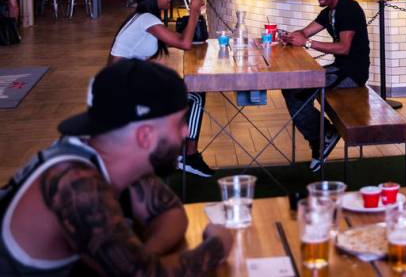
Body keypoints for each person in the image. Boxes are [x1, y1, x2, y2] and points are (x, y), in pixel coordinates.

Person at [0, 61, 232, 275]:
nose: (185, 132)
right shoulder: (76, 184)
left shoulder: (112, 158)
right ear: (144, 136)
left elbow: (170, 213)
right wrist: (217, 245)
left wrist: (141, 256)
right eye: (181, 122)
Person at [109, 0, 212, 178]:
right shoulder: (147, 19)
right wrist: (193, 13)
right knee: (196, 96)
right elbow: (184, 44)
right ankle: (188, 155)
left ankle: (178, 152)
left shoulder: (141, 18)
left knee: (184, 91)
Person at [280, 0, 370, 172]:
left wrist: (307, 44)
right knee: (293, 88)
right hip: (339, 69)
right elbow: (305, 32)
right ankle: (323, 136)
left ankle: (322, 137)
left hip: (352, 74)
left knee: (296, 92)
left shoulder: (349, 9)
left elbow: (344, 48)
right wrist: (290, 36)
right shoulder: (329, 12)